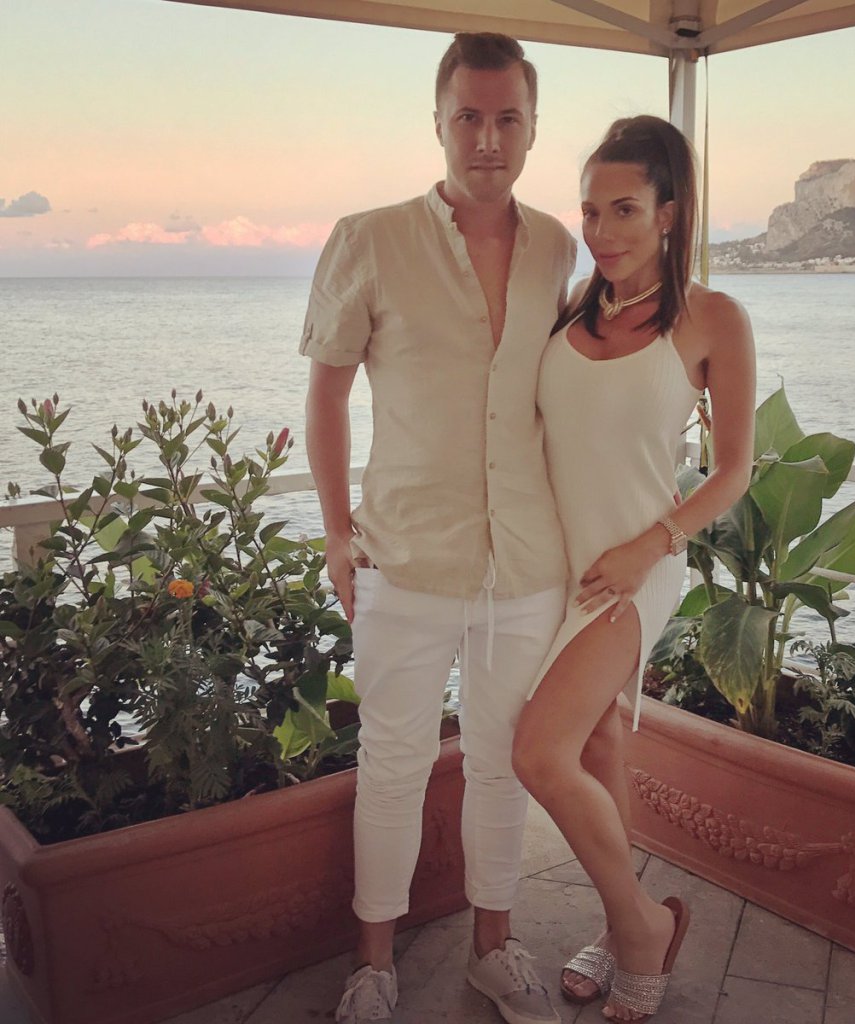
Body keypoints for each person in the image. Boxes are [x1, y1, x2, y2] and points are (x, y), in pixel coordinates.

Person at [300, 32, 577, 1024]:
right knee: (393, 765)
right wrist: (337, 533)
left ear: (532, 127)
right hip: (406, 557)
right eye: (469, 116)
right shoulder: (368, 239)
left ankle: (494, 950)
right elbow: (325, 396)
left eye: (507, 119)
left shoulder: (559, 246)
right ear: (438, 121)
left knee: (502, 764)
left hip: (526, 564)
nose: (488, 138)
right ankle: (373, 966)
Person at [511, 115, 756, 1024]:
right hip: (559, 565)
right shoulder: (573, 305)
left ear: (668, 213)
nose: (601, 230)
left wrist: (650, 545)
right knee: (601, 747)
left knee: (540, 753)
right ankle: (620, 927)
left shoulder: (713, 319)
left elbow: (734, 470)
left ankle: (642, 926)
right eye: (590, 210)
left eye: (623, 209)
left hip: (635, 567)